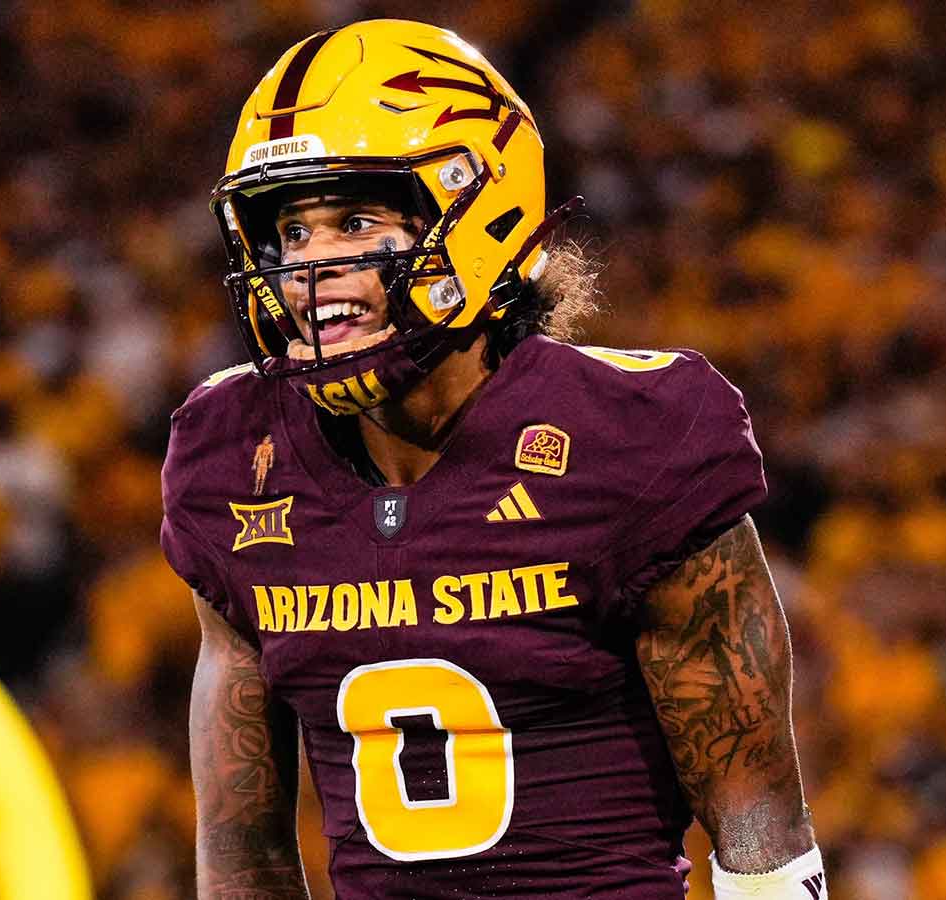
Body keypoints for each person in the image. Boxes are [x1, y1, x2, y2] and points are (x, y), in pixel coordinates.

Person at [161, 19, 826, 899]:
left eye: (354, 220)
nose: (310, 268)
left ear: (481, 212)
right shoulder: (236, 454)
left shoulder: (632, 438)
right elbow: (241, 857)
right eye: (290, 232)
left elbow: (760, 825)